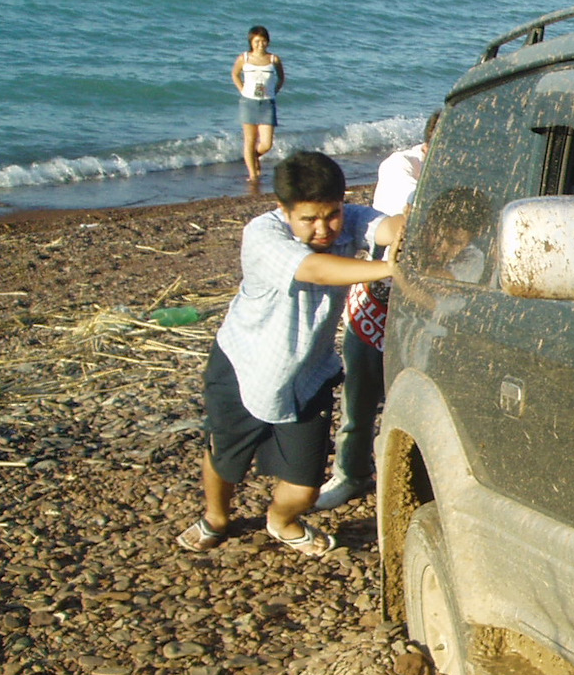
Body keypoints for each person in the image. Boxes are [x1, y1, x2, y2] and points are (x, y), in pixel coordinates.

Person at [179, 150, 402, 558]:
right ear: (284, 210)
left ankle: (281, 520)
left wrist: (413, 223)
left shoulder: (347, 218)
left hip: (308, 372)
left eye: (331, 214)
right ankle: (216, 517)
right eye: (309, 219)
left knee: (304, 487)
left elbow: (387, 227)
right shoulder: (262, 235)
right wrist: (390, 270)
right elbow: (316, 269)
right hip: (245, 364)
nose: (323, 228)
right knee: (225, 458)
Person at [318, 110, 441, 511]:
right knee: (359, 400)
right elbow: (404, 220)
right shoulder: (401, 167)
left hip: (428, 307)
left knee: (419, 400)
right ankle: (350, 475)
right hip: (377, 304)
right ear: (428, 147)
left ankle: (414, 483)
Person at [232, 25, 285, 184]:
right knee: (250, 140)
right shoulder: (244, 58)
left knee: (267, 143)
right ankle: (253, 174)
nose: (260, 44)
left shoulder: (273, 59)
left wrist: (274, 91)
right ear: (251, 42)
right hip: (248, 102)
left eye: (263, 41)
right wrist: (242, 89)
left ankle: (252, 157)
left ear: (267, 42)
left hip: (267, 103)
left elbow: (281, 78)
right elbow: (235, 74)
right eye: (256, 41)